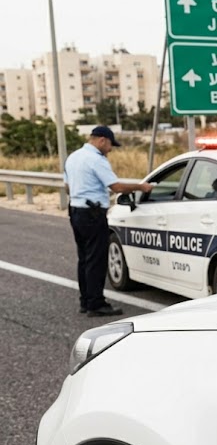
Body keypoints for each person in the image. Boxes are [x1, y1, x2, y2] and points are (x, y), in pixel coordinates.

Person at [64, 126, 153, 317]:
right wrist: (141, 187)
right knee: (96, 259)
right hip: (92, 213)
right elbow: (117, 187)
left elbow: (67, 187)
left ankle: (86, 301)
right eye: (110, 144)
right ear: (102, 140)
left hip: (76, 210)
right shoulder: (96, 159)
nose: (110, 149)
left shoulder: (73, 157)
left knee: (84, 258)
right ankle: (96, 304)